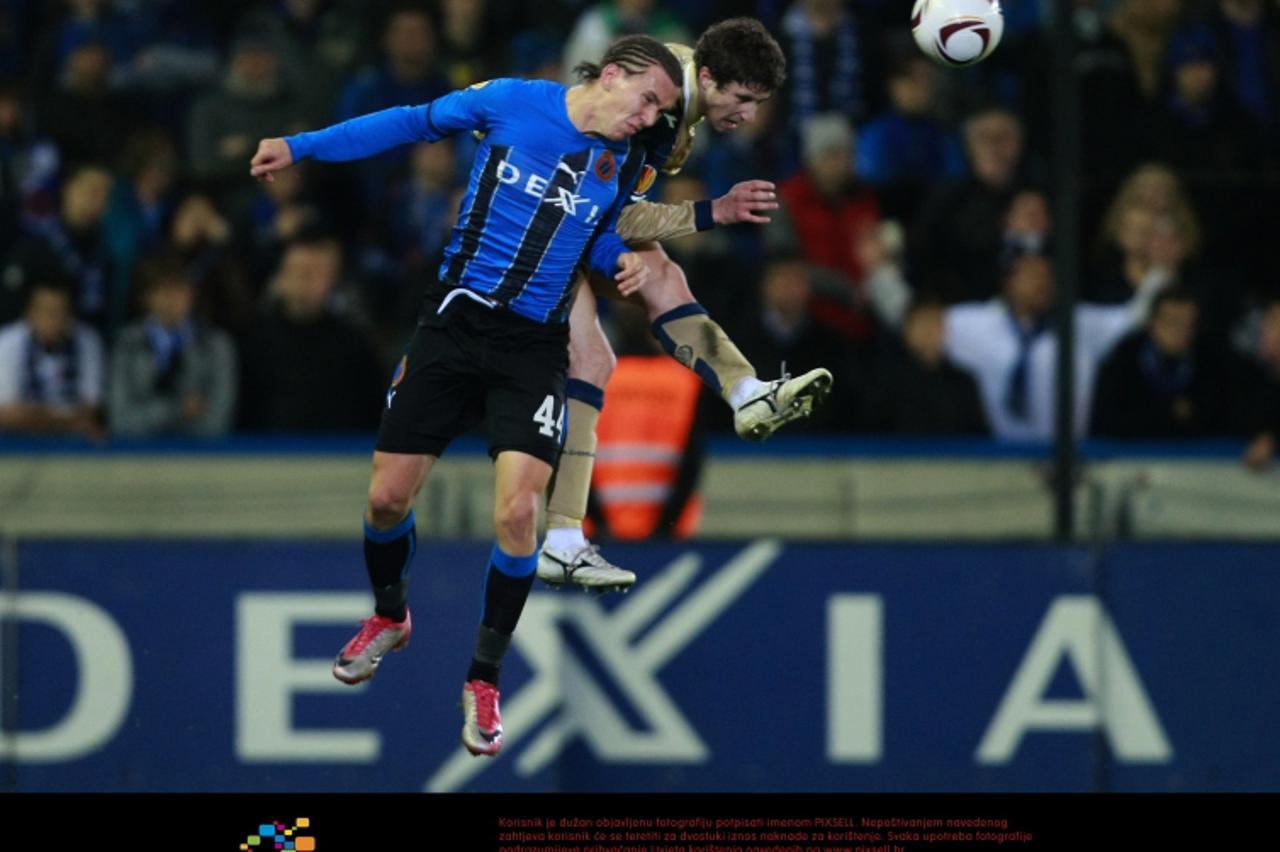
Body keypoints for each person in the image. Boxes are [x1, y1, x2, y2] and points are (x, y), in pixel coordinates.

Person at [249, 35, 682, 758]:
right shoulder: (511, 102)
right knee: (387, 500)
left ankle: (483, 677)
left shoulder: (624, 163)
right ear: (613, 74)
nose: (647, 119)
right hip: (453, 325)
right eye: (648, 102)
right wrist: (302, 145)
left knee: (518, 512)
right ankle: (391, 616)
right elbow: (408, 122)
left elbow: (596, 237)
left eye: (661, 112)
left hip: (532, 348)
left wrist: (623, 265)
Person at [536, 18, 833, 593]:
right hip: (537, 220)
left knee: (656, 285)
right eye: (742, 99)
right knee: (593, 359)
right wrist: (708, 212)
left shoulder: (677, 103)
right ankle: (562, 537)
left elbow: (613, 210)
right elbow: (604, 213)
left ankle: (746, 393)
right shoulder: (660, 105)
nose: (747, 115)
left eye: (759, 103)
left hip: (569, 219)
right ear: (709, 76)